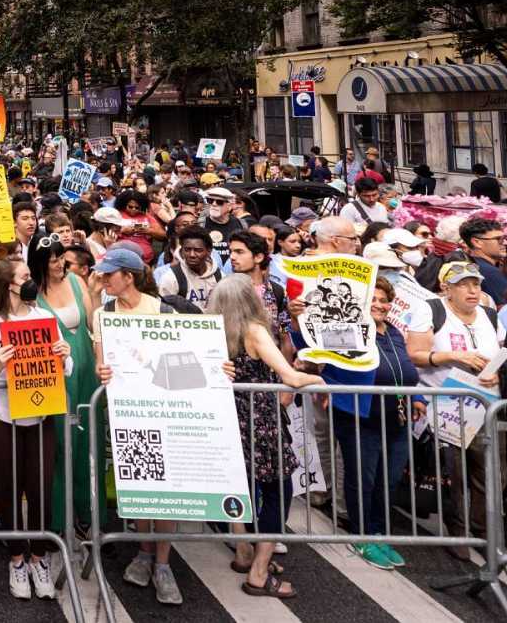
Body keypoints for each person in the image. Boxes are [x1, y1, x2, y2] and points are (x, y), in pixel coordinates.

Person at [92, 247, 208, 605]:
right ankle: (143, 553)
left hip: (165, 410)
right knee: (140, 484)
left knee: (167, 491)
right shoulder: (102, 313)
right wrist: (104, 372)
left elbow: (188, 359)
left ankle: (162, 563)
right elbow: (102, 363)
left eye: (109, 274)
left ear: (129, 276)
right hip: (128, 411)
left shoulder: (164, 311)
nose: (103, 279)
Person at [206, 277, 320, 598]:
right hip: (262, 421)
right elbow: (291, 376)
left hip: (229, 419)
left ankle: (243, 552)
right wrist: (320, 377)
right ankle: (259, 572)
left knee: (238, 486)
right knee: (277, 490)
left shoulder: (211, 333)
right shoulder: (254, 331)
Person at [0, 258, 72, 601]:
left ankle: (39, 557)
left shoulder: (44, 318)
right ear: (9, 284)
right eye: (25, 276)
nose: (32, 280)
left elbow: (65, 367)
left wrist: (64, 353)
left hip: (41, 418)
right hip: (4, 420)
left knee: (41, 488)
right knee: (10, 490)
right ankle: (16, 559)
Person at [405, 261, 504, 546]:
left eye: (476, 284)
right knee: (453, 473)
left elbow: (500, 353)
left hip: (486, 402)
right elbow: (415, 354)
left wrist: (497, 372)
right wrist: (452, 356)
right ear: (446, 288)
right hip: (445, 403)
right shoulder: (431, 309)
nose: (473, 290)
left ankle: (485, 532)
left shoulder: (489, 314)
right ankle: (458, 532)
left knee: (491, 472)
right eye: (464, 284)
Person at [326, 277, 423, 569]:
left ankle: (380, 533)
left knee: (389, 480)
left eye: (384, 300)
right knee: (362, 479)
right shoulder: (347, 332)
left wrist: (417, 398)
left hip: (397, 416)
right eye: (374, 300)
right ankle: (362, 535)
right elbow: (326, 363)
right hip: (360, 416)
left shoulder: (393, 331)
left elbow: (403, 370)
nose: (380, 305)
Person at [27, 234, 100, 540]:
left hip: (85, 369)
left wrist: (98, 360)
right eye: (53, 259)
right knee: (58, 444)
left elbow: (93, 320)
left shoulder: (76, 282)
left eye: (61, 258)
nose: (59, 264)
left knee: (87, 443)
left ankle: (88, 515)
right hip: (55, 373)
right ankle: (58, 518)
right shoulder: (31, 292)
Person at [153, 226, 222, 309]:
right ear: (181, 250)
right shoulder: (171, 278)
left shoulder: (220, 277)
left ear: (209, 251)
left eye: (198, 250)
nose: (192, 255)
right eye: (187, 250)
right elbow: (162, 310)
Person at [460, 218, 507, 305]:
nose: (505, 243)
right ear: (477, 242)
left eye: (505, 238)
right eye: (499, 239)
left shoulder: (471, 265)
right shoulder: (489, 272)